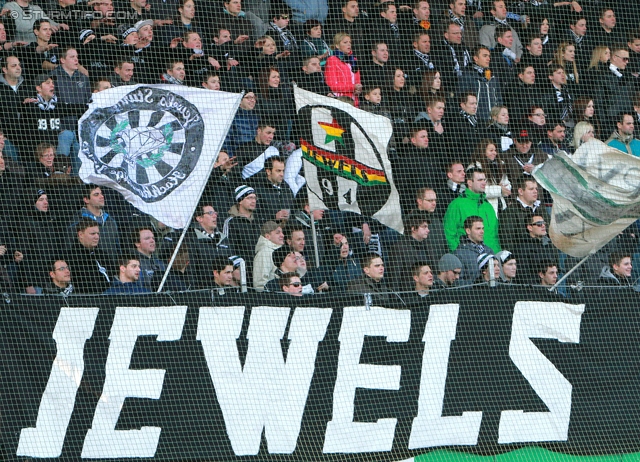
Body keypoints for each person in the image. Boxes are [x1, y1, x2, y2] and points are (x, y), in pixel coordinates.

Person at [444, 166, 500, 252]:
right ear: (470, 182)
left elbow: (495, 234)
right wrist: (459, 255)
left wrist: (497, 254)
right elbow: (449, 233)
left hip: (492, 257)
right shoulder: (457, 204)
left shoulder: (488, 206)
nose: (484, 183)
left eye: (484, 180)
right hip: (469, 258)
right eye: (480, 180)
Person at [185, 202, 232, 289]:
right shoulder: (192, 239)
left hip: (224, 290)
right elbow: (191, 270)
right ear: (199, 218)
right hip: (203, 291)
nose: (215, 216)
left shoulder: (223, 239)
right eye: (210, 213)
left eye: (215, 213)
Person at [69, 184, 121, 257]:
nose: (102, 196)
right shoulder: (78, 220)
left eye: (101, 193)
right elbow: (70, 246)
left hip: (111, 266)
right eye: (96, 195)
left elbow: (117, 248)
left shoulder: (111, 220)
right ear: (86, 199)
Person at [65, 218, 115, 294]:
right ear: (81, 234)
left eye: (98, 233)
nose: (97, 237)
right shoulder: (70, 258)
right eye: (92, 234)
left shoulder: (104, 256)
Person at [386, 211, 432, 291]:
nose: (428, 230)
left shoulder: (427, 247)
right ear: (413, 229)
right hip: (407, 296)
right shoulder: (399, 248)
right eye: (424, 227)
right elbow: (394, 278)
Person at [498, 177, 549, 250]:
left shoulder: (541, 209)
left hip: (546, 256)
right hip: (523, 256)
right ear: (521, 191)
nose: (535, 191)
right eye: (531, 189)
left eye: (536, 189)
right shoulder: (510, 212)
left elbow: (550, 233)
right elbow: (507, 240)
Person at [222, 185, 261, 276]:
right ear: (240, 201)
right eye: (249, 198)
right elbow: (228, 248)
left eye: (255, 198)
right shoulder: (231, 222)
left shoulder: (258, 221)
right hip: (242, 271)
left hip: (259, 269)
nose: (253, 201)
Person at [457, 46, 503, 122]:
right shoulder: (467, 76)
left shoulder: (493, 77)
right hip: (476, 123)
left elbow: (499, 99)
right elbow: (461, 99)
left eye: (489, 56)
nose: (488, 59)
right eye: (485, 56)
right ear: (476, 58)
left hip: (493, 123)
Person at [470, 139, 511, 214]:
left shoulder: (500, 164)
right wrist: (499, 189)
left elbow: (508, 185)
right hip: (485, 209)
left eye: (495, 150)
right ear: (483, 151)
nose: (494, 153)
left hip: (503, 208)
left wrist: (503, 189)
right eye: (491, 150)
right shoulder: (474, 167)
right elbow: (478, 190)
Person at [453, 215, 494, 285]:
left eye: (482, 228)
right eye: (478, 229)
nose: (482, 231)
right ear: (468, 231)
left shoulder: (489, 251)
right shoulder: (459, 254)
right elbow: (457, 281)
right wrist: (477, 285)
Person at [432, 22, 471, 92]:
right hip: (448, 88)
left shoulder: (465, 48)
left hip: (467, 86)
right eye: (455, 33)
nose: (459, 36)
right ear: (446, 35)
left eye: (460, 33)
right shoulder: (438, 50)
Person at [324, 33, 362, 105]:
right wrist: (352, 87)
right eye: (345, 42)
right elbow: (332, 85)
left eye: (350, 42)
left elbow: (358, 82)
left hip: (354, 102)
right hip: (340, 101)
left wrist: (358, 89)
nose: (349, 44)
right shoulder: (332, 60)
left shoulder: (353, 60)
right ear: (337, 45)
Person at [223, 92, 259, 157]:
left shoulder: (256, 117)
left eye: (254, 98)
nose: (253, 100)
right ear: (240, 100)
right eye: (249, 98)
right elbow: (227, 139)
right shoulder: (232, 117)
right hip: (236, 155)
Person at [252, 220, 284, 290]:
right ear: (267, 236)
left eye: (282, 232)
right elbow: (259, 283)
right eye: (278, 233)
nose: (282, 235)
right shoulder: (264, 252)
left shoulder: (279, 251)